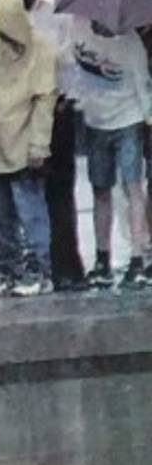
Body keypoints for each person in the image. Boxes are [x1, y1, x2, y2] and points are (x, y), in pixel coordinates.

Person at [0, 0, 86, 289]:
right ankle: (45, 264)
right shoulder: (14, 15)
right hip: (30, 111)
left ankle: (69, 268)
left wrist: (38, 52)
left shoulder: (56, 8)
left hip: (59, 106)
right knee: (35, 191)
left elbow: (70, 54)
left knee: (60, 189)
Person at [0, 0, 57, 297]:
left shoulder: (40, 47)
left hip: (24, 141)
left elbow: (45, 99)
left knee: (30, 210)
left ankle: (40, 270)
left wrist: (39, 144)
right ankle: (7, 269)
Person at [72, 18, 152, 289]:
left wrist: (148, 118)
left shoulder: (130, 42)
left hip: (128, 119)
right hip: (96, 122)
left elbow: (142, 82)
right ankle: (102, 259)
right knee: (100, 190)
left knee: (133, 187)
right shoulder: (79, 31)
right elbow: (72, 71)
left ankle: (137, 258)